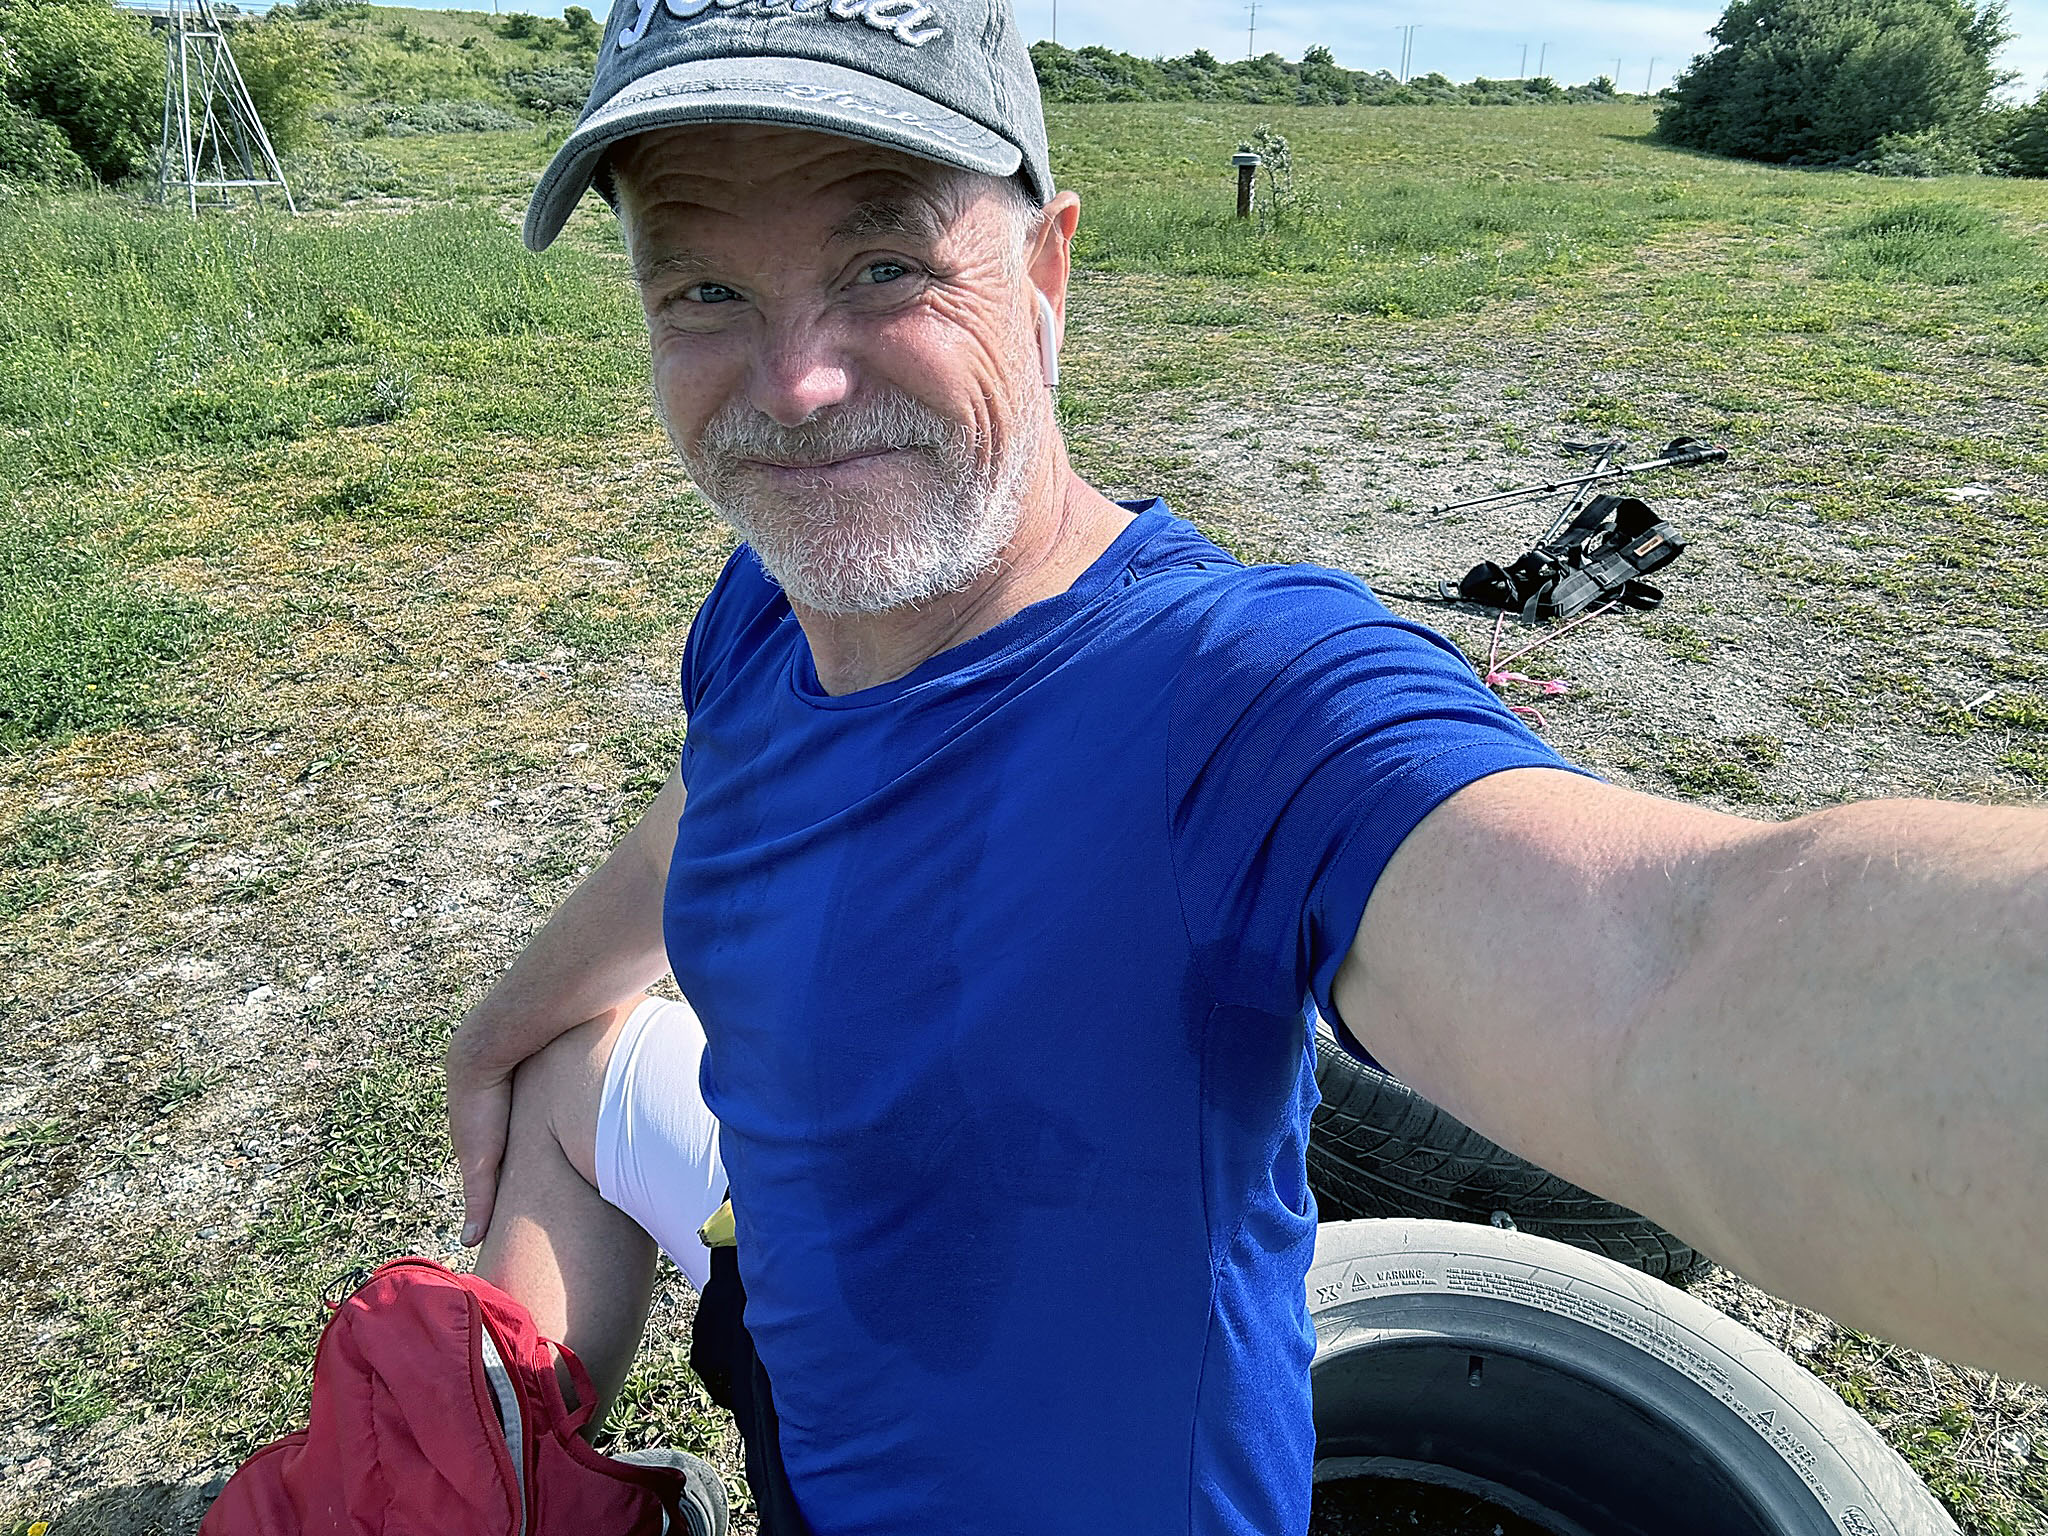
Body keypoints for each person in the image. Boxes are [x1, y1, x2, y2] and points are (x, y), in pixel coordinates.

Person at [445, 1, 2048, 1532]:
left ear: (1047, 273)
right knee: (562, 1077)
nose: (795, 383)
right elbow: (715, 810)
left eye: (885, 266)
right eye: (703, 289)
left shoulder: (1232, 702)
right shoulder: (765, 613)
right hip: (799, 1368)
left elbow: (1671, 966)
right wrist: (498, 1024)